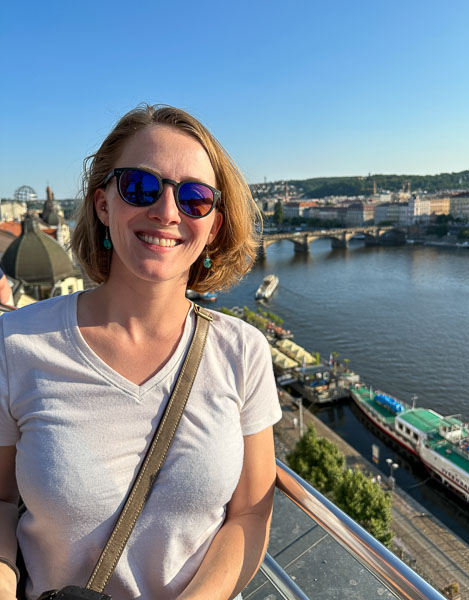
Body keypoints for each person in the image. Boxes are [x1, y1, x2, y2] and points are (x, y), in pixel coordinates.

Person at [0, 105, 282, 600]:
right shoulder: (16, 344)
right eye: (140, 187)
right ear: (103, 205)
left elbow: (252, 512)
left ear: (213, 227)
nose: (167, 212)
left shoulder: (243, 351)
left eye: (195, 198)